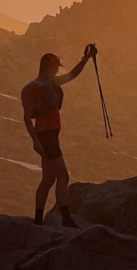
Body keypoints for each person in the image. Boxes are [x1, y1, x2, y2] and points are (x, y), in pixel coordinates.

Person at [21, 45, 97, 227]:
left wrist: (85, 58)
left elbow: (72, 75)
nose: (57, 69)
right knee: (63, 176)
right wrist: (36, 141)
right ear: (48, 67)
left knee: (48, 179)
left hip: (49, 135)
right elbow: (26, 116)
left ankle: (38, 221)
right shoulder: (36, 88)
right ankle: (66, 219)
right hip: (46, 136)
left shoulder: (49, 84)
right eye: (55, 67)